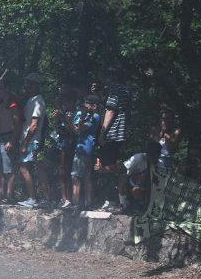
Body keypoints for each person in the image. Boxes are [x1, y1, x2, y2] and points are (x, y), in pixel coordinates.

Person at [96, 68, 132, 209]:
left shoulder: (115, 90)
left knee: (107, 167)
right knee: (115, 166)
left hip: (113, 133)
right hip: (121, 133)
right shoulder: (125, 90)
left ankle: (111, 199)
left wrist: (102, 132)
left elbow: (110, 111)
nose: (104, 81)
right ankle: (118, 198)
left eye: (106, 78)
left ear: (111, 77)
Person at [13, 73, 46, 207]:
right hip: (27, 139)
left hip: (32, 140)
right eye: (27, 83)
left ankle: (34, 198)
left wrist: (25, 143)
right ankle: (36, 197)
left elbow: (34, 125)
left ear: (36, 85)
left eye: (30, 83)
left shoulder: (38, 101)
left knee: (24, 167)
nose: (27, 86)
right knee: (26, 167)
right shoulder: (30, 100)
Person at [65, 94, 101, 209]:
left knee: (75, 176)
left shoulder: (94, 116)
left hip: (84, 149)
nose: (84, 105)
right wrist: (69, 121)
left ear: (94, 106)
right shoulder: (88, 116)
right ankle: (87, 203)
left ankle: (76, 203)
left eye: (87, 103)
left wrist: (81, 117)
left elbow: (82, 128)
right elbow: (77, 131)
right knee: (86, 177)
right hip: (84, 149)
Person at [0, 78, 22, 203]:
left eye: (0, 88)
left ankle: (9, 196)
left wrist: (12, 140)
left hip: (8, 136)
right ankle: (0, 195)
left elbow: (18, 122)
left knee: (8, 168)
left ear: (7, 88)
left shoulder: (12, 101)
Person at [116, 140, 161, 214]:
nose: (153, 159)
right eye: (151, 156)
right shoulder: (138, 158)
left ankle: (141, 207)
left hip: (148, 188)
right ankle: (123, 205)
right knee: (122, 178)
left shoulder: (159, 165)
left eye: (155, 156)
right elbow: (123, 169)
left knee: (137, 190)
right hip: (133, 182)